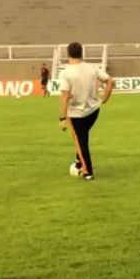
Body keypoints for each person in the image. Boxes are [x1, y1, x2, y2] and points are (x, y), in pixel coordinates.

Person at [58, 42, 113, 181]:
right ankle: (78, 161)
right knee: (83, 137)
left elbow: (64, 97)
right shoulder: (92, 68)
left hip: (77, 114)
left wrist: (62, 119)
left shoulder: (66, 73)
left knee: (81, 142)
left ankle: (87, 172)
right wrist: (105, 98)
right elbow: (110, 81)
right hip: (94, 111)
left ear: (68, 54)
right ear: (81, 53)